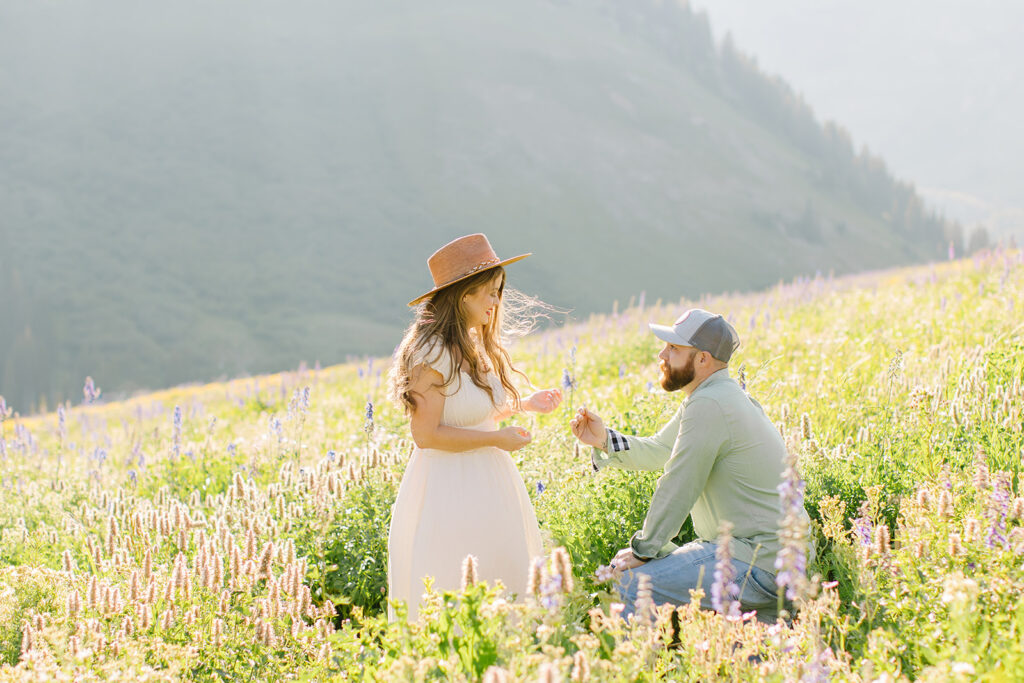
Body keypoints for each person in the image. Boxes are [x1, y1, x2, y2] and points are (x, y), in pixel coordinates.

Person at [570, 308, 813, 622]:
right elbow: (661, 449)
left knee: (629, 587)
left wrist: (645, 549)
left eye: (674, 348)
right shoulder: (717, 396)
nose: (662, 354)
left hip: (755, 561)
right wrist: (603, 439)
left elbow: (678, 483)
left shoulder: (709, 404)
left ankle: (638, 669)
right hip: (773, 561)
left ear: (703, 359)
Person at [386, 233, 563, 620]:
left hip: (491, 483)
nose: (496, 302)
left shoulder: (473, 344)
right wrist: (496, 439)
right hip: (449, 490)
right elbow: (427, 434)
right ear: (463, 295)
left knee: (505, 580)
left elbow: (471, 414)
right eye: (489, 292)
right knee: (455, 591)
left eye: (498, 291)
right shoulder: (429, 354)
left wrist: (525, 405)